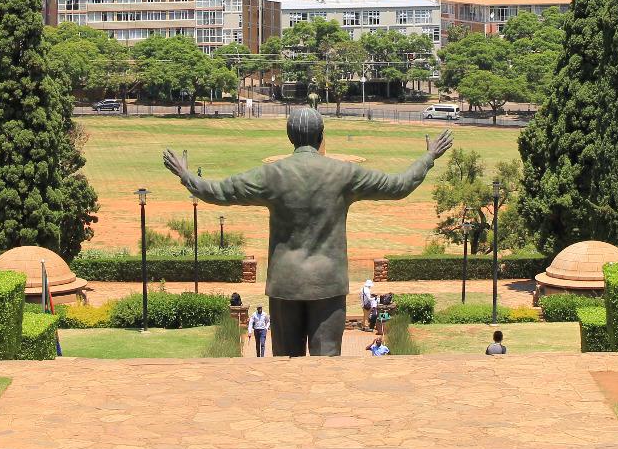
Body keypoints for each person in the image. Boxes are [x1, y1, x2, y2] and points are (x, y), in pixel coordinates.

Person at [164, 109, 451, 357]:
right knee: (326, 365)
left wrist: (187, 176)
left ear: (290, 138)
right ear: (321, 135)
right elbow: (399, 186)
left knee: (286, 364)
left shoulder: (272, 175)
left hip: (284, 283)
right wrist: (428, 156)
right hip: (327, 283)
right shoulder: (344, 173)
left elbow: (220, 191)